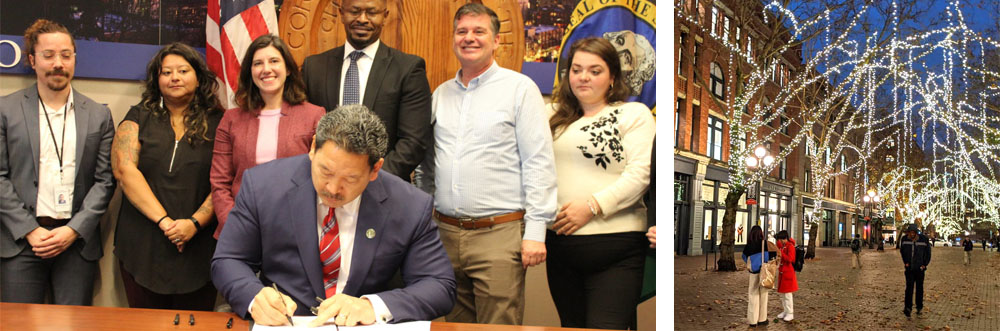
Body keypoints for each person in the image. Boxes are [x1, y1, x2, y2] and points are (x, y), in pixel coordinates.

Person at [211, 105, 455, 327]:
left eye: (350, 179)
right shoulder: (263, 186)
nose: (333, 189)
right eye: (325, 171)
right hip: (287, 325)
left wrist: (372, 306)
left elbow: (439, 285)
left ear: (375, 169)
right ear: (313, 148)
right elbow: (228, 259)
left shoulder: (409, 205)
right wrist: (255, 296)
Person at [412, 3, 558, 325]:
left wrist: (536, 231)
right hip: (445, 234)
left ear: (496, 41)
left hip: (499, 235)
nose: (469, 38)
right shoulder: (440, 95)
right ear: (453, 39)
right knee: (452, 325)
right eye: (462, 31)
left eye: (479, 31)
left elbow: (539, 163)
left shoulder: (520, 90)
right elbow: (427, 166)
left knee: (498, 326)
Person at [1, 19, 116, 305]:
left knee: (73, 324)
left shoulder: (98, 116)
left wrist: (73, 229)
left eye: (66, 55)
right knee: (19, 325)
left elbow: (105, 181)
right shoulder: (5, 110)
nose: (58, 64)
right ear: (32, 60)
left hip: (76, 242)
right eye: (48, 55)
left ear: (74, 59)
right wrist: (30, 229)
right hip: (21, 241)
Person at [542, 37, 653, 330]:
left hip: (616, 248)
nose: (583, 77)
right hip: (560, 248)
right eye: (576, 69)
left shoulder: (634, 114)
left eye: (595, 70)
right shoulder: (550, 115)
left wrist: (592, 206)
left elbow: (639, 174)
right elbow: (533, 169)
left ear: (612, 76)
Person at [111, 42, 223, 310]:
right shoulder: (138, 115)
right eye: (166, 72)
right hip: (142, 245)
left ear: (198, 76)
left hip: (198, 247)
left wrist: (193, 224)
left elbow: (226, 182)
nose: (174, 77)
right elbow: (125, 171)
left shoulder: (221, 121)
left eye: (183, 70)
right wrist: (166, 223)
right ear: (156, 79)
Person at [301, 0, 431, 180]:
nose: (362, 19)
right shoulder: (314, 67)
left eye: (371, 12)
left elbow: (413, 143)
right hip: (324, 185)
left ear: (384, 16)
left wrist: (366, 179)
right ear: (341, 13)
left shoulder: (408, 69)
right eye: (354, 11)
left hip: (382, 189)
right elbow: (303, 133)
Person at [210, 34, 325, 239]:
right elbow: (220, 181)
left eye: (274, 61)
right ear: (250, 72)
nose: (266, 69)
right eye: (258, 63)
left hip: (295, 230)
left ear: (288, 69)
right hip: (240, 228)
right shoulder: (231, 118)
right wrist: (234, 225)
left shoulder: (314, 116)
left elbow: (322, 177)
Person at [741, 225, 777, 328]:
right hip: (764, 272)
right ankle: (762, 319)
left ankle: (753, 320)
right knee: (764, 295)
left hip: (754, 273)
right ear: (761, 233)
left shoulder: (748, 246)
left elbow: (744, 257)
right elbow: (773, 255)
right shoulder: (765, 243)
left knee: (753, 295)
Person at [899, 223, 931, 318]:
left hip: (920, 269)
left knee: (919, 288)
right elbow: (903, 252)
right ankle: (908, 307)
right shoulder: (904, 239)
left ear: (916, 233)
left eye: (913, 232)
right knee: (909, 288)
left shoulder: (924, 239)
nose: (912, 234)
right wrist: (906, 262)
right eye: (910, 232)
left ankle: (919, 306)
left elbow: (928, 253)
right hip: (909, 269)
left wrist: (924, 265)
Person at [774, 230, 798, 322]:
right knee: (783, 294)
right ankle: (785, 310)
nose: (779, 241)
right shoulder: (783, 246)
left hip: (788, 272)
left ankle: (790, 313)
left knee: (787, 294)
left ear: (783, 239)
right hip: (783, 272)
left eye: (780, 239)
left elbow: (791, 259)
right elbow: (777, 246)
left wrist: (781, 254)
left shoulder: (790, 246)